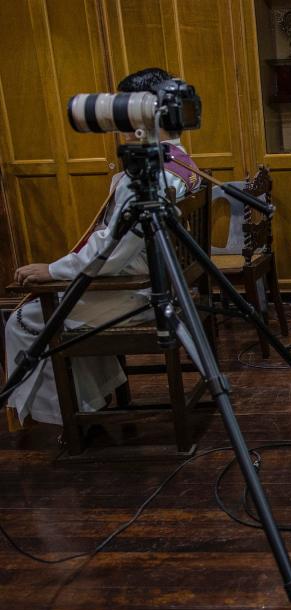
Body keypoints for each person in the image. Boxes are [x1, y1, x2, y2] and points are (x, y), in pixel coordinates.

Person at [4, 67, 201, 430]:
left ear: (141, 111)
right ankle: (92, 398)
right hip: (159, 284)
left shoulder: (152, 174)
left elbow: (112, 251)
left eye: (122, 106)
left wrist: (54, 271)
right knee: (55, 307)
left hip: (137, 292)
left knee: (25, 320)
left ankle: (66, 417)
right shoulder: (181, 162)